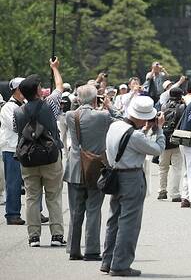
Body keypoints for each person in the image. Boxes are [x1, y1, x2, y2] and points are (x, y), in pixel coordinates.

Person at [101, 96, 166, 276]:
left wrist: (145, 129)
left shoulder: (115, 126)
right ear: (141, 117)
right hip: (131, 178)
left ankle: (108, 260)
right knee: (129, 223)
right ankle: (120, 265)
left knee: (114, 220)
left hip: (115, 175)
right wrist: (159, 130)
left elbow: (131, 143)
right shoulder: (135, 135)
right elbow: (157, 149)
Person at [13, 59, 67, 248]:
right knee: (53, 196)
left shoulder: (18, 112)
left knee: (31, 197)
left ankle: (34, 236)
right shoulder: (50, 103)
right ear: (37, 91)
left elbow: (17, 130)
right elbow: (59, 86)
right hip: (51, 156)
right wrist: (54, 68)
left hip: (27, 157)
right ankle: (57, 235)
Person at [64, 85, 115, 261]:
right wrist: (108, 105)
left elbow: (75, 110)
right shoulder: (103, 116)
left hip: (75, 168)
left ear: (78, 99)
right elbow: (122, 120)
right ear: (96, 99)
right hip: (95, 168)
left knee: (76, 211)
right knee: (94, 209)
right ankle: (92, 250)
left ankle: (73, 248)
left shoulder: (71, 116)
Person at [1, 77, 26, 225]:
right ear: (16, 90)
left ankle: (37, 212)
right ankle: (12, 214)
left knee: (32, 183)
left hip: (25, 147)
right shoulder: (8, 108)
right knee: (14, 183)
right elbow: (16, 126)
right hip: (11, 148)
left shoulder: (26, 104)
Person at [157, 88, 186, 202]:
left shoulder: (163, 106)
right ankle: (175, 194)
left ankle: (161, 191)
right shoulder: (182, 107)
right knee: (176, 168)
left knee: (163, 168)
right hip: (176, 140)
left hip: (163, 140)